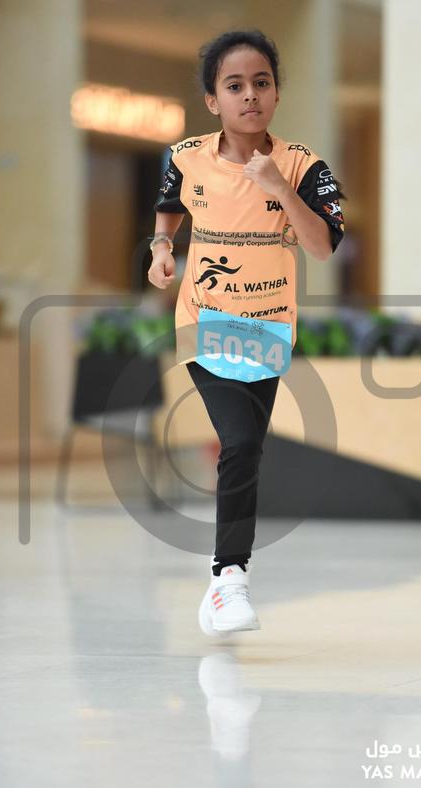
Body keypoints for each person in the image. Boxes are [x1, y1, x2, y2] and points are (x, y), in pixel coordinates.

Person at [148, 29, 345, 636]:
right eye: (234, 86)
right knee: (237, 441)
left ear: (277, 93)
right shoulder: (186, 156)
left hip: (268, 327)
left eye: (261, 83)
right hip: (204, 319)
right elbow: (170, 204)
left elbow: (322, 247)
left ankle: (220, 585)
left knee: (248, 449)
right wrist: (161, 247)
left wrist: (279, 187)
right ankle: (230, 578)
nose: (250, 95)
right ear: (213, 100)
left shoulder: (304, 166)